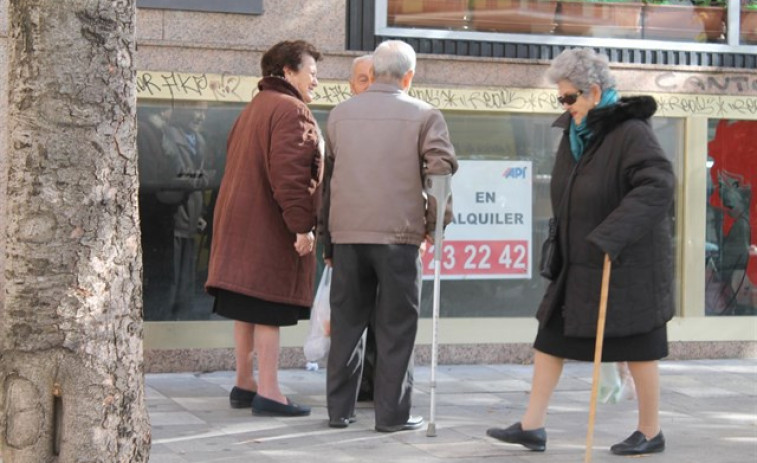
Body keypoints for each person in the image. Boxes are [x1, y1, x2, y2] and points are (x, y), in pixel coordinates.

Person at [485, 48, 675, 456]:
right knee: (550, 338)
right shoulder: (577, 135)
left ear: (593, 91)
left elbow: (657, 184)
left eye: (570, 97)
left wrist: (613, 233)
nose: (565, 105)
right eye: (560, 99)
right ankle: (532, 425)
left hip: (623, 260)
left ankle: (650, 430)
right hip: (578, 258)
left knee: (639, 347)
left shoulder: (630, 132)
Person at [322, 40, 458, 432]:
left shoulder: (340, 115)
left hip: (347, 234)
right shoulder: (425, 115)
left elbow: (329, 184)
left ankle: (339, 411)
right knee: (397, 326)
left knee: (347, 323)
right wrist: (436, 224)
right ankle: (392, 416)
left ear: (375, 70)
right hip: (398, 236)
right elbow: (440, 172)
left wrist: (329, 240)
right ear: (408, 76)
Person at [205, 40, 324, 417]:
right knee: (269, 308)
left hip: (239, 228)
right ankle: (270, 392)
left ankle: (245, 383)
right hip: (267, 230)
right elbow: (290, 179)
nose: (316, 83)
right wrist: (302, 228)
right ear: (288, 72)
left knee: (247, 306)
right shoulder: (292, 112)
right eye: (312, 73)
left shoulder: (254, 108)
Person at [162, 103, 213, 319]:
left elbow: (204, 174)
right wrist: (201, 179)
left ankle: (183, 322)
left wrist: (200, 215)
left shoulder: (199, 140)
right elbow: (171, 177)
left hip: (191, 218)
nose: (200, 117)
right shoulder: (168, 136)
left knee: (186, 279)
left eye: (204, 112)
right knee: (172, 279)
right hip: (174, 217)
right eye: (196, 111)